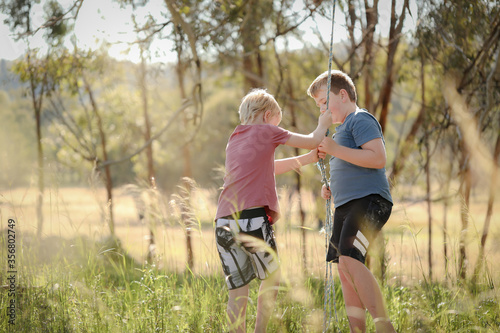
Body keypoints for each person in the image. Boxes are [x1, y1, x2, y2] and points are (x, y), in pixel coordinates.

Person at [214, 88, 331, 333]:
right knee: (272, 278)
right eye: (277, 122)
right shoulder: (267, 130)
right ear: (268, 115)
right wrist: (323, 123)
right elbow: (312, 139)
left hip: (223, 221)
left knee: (237, 291)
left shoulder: (235, 137)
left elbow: (267, 166)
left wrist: (307, 160)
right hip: (251, 219)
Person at [308, 70, 396, 333]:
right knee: (344, 269)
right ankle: (357, 330)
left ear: (343, 95)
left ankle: (385, 327)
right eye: (318, 106)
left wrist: (334, 149)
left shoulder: (360, 119)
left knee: (351, 259)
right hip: (345, 207)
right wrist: (331, 188)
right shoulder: (341, 131)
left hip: (370, 202)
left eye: (324, 102)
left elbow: (378, 158)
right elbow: (350, 167)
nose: (322, 110)